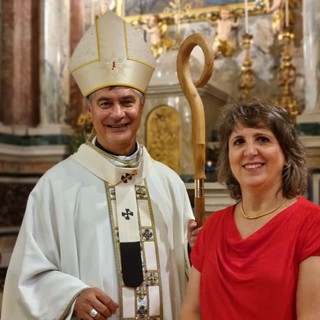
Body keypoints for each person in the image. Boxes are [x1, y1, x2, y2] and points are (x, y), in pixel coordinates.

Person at [1, 11, 195, 320]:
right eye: (105, 103)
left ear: (142, 105)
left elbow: (189, 273)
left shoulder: (169, 184)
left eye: (127, 101)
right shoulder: (56, 187)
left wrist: (195, 252)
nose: (118, 113)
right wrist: (71, 296)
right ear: (90, 109)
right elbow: (28, 277)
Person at [180, 100, 320, 319]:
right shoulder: (213, 226)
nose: (250, 151)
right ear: (229, 157)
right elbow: (190, 312)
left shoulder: (312, 223)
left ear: (286, 155)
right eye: (238, 142)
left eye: (262, 139)